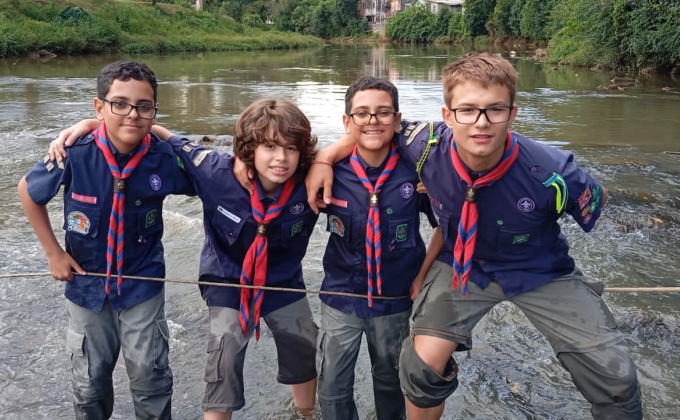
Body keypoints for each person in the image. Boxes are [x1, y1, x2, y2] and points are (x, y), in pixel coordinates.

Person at [306, 52, 642, 420]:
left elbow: (597, 199)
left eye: (495, 109)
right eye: (467, 110)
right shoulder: (424, 145)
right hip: (464, 264)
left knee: (617, 379)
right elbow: (368, 130)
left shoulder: (553, 171)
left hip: (540, 268)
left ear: (513, 114)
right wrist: (323, 159)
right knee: (419, 366)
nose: (481, 123)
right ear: (447, 115)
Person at [51, 98, 320, 420]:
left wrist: (325, 162)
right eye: (270, 147)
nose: (281, 158)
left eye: (291, 149)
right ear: (249, 148)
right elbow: (165, 136)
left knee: (304, 343)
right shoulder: (213, 170)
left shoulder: (312, 180)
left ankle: (306, 412)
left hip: (283, 279)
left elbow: (354, 154)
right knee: (224, 355)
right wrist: (94, 125)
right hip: (227, 278)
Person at [18, 61, 195, 419]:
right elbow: (28, 191)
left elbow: (214, 179)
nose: (132, 114)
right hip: (86, 284)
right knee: (89, 381)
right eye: (120, 104)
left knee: (150, 375)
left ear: (155, 111)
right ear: (99, 107)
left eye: (144, 106)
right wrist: (53, 253)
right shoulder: (73, 152)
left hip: (142, 283)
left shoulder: (162, 158)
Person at [310, 76, 439, 420]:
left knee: (391, 381)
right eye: (362, 113)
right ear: (347, 121)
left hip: (395, 299)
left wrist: (422, 276)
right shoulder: (327, 172)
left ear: (397, 121)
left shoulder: (418, 172)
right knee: (332, 385)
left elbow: (447, 227)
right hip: (340, 296)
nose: (372, 121)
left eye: (383, 113)